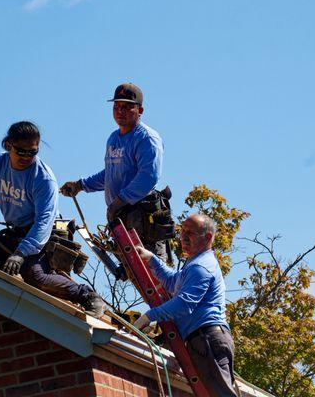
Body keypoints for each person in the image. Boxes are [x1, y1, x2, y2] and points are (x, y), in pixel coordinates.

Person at [0, 121, 106, 318]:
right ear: (8, 145)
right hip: (16, 233)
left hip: (42, 237)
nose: (27, 157)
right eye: (21, 151)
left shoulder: (43, 179)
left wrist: (21, 253)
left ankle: (87, 296)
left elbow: (44, 222)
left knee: (34, 276)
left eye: (32, 152)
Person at [60, 83, 172, 261]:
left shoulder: (146, 138)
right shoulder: (114, 138)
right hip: (121, 218)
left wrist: (119, 202)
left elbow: (148, 176)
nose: (120, 111)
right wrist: (80, 185)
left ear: (140, 110)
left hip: (143, 218)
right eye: (117, 106)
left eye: (127, 107)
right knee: (133, 272)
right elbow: (111, 173)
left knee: (153, 276)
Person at [133, 214, 238, 397]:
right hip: (205, 339)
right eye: (182, 232)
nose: (183, 237)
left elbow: (184, 304)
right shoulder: (193, 264)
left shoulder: (201, 267)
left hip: (207, 339)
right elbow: (173, 282)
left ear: (208, 238)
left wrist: (149, 316)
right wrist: (152, 260)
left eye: (190, 233)